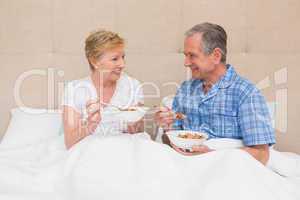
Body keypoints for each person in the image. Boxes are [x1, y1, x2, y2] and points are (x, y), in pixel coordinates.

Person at [155, 22, 275, 165]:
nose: (186, 63)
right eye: (185, 55)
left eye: (192, 55)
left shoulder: (245, 93)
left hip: (226, 170)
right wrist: (166, 126)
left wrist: (213, 156)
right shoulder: (185, 89)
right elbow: (171, 142)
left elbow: (262, 154)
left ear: (216, 56)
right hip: (186, 167)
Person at [62, 29, 144, 149]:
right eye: (115, 59)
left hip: (125, 149)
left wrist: (135, 122)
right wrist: (90, 124)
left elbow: (138, 133)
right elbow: (70, 142)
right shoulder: (74, 89)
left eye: (123, 57)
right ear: (94, 61)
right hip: (89, 151)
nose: (122, 64)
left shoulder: (133, 86)